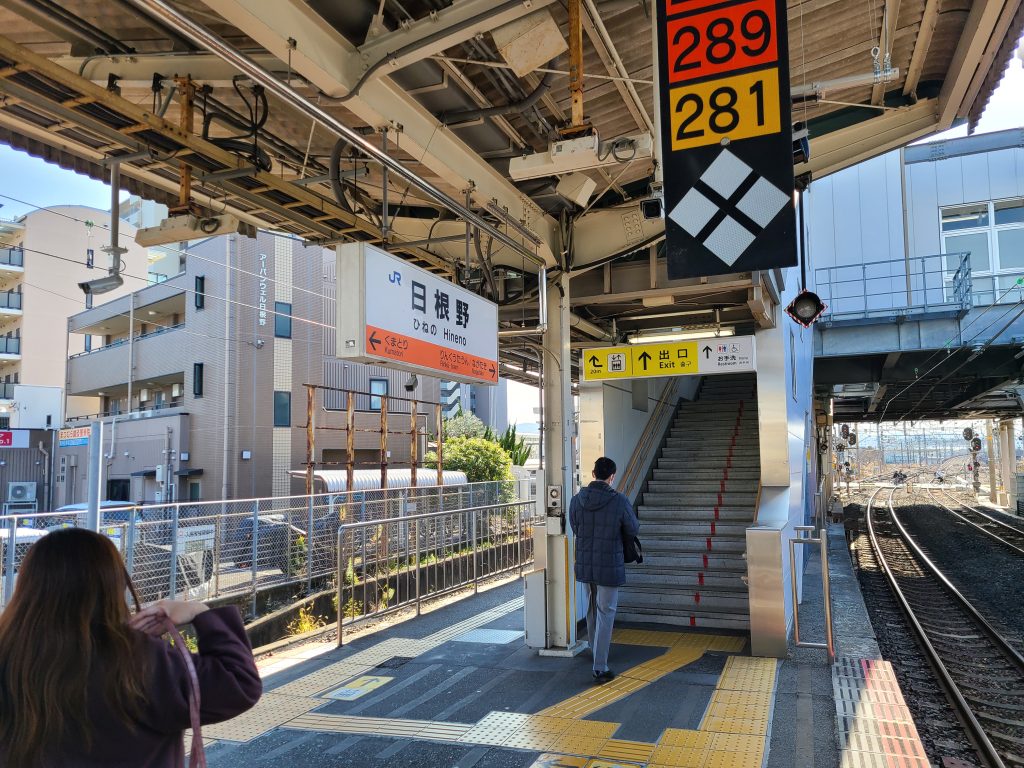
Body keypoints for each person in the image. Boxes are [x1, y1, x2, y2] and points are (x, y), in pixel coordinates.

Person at [0, 528, 262, 768]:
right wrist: (201, 612)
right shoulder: (138, 659)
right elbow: (239, 683)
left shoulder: (9, 652)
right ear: (113, 584)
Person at [569, 456, 640, 684]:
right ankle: (600, 666)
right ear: (612, 476)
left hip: (586, 562)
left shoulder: (577, 500)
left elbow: (575, 527)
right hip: (609, 564)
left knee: (592, 607)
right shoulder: (619, 500)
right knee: (606, 612)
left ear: (593, 474)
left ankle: (594, 649)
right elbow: (633, 528)